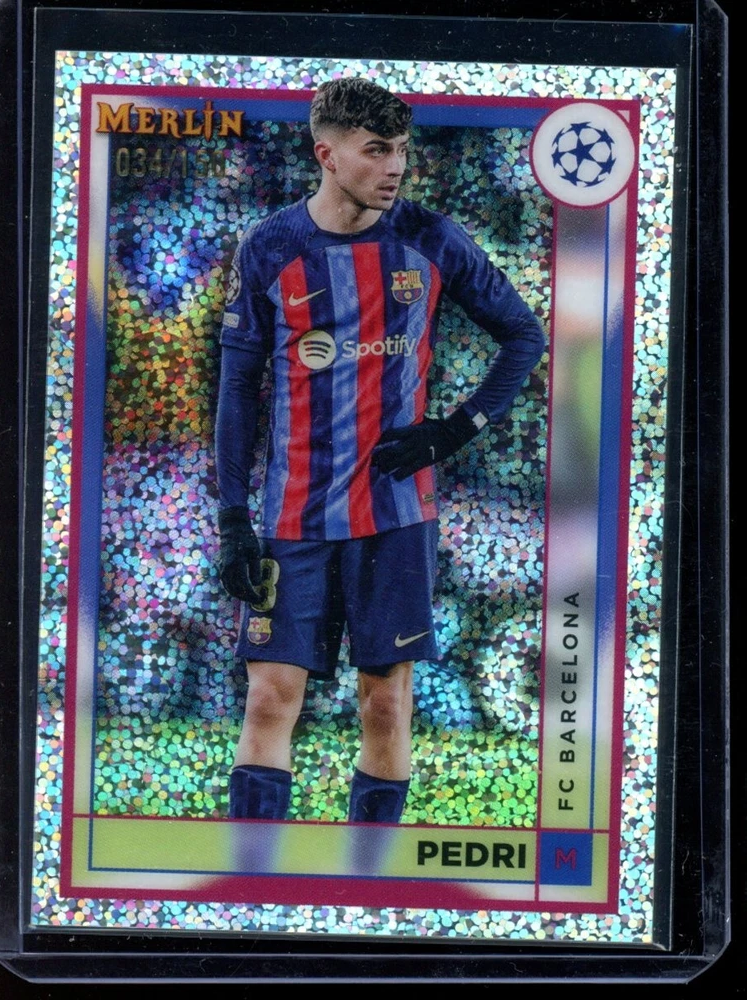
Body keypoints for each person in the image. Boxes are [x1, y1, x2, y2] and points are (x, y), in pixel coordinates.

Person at [215, 78, 545, 824]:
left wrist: (456, 428)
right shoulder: (270, 247)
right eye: (375, 150)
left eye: (400, 149)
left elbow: (523, 335)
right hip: (293, 516)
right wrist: (233, 517)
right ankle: (252, 878)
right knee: (269, 698)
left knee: (386, 705)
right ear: (326, 155)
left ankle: (370, 879)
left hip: (395, 515)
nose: (395, 166)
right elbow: (236, 389)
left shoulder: (431, 238)